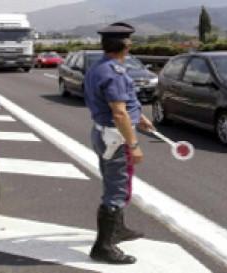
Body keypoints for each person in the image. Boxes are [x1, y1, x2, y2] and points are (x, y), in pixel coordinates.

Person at [84, 22, 154, 264]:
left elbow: (123, 104)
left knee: (114, 183)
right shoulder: (114, 72)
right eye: (129, 40)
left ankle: (118, 230)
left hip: (103, 133)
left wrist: (140, 116)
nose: (131, 44)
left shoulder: (100, 67)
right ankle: (103, 247)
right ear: (123, 44)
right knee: (117, 190)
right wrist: (134, 145)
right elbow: (119, 113)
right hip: (115, 137)